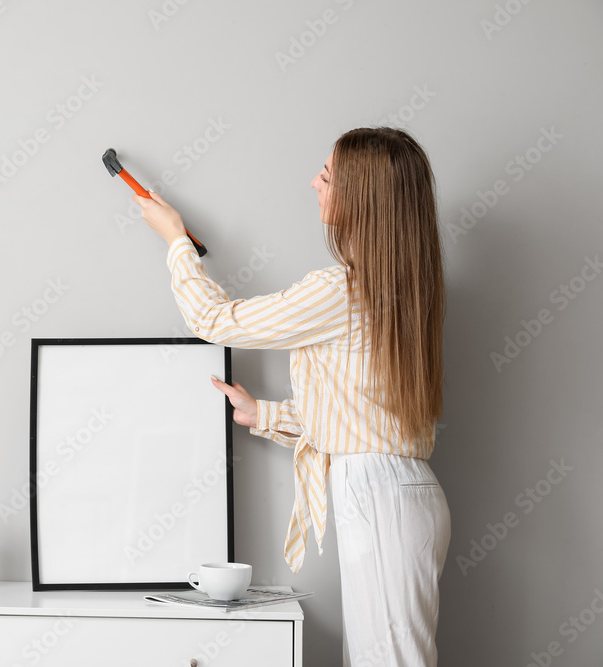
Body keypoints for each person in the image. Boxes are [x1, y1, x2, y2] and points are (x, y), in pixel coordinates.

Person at [133, 126, 452, 667]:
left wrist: (175, 241)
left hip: (377, 495)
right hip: (401, 491)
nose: (313, 183)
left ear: (361, 197)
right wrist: (264, 415)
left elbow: (214, 319)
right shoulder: (402, 290)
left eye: (326, 176)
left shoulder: (342, 291)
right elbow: (363, 416)